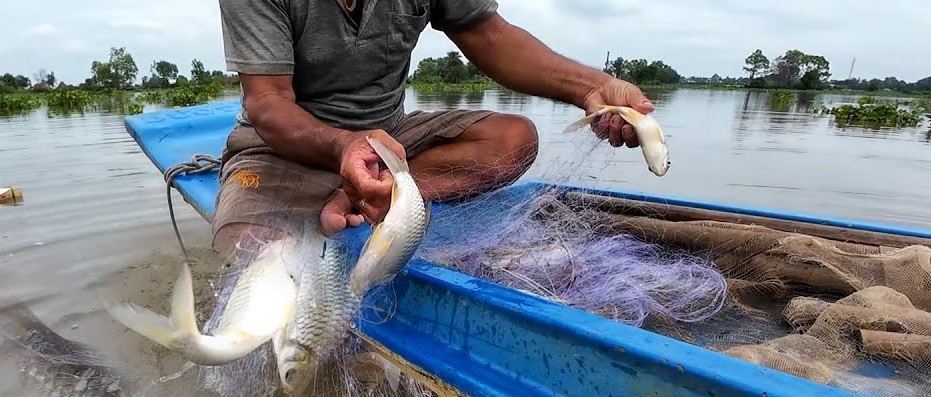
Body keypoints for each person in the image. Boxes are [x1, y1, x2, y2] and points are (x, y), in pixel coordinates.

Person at [212, 0, 654, 255]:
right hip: (281, 147)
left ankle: (366, 193)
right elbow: (268, 101)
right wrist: (343, 146)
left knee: (512, 140)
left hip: (390, 136)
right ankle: (361, 189)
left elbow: (491, 37)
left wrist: (594, 89)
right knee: (248, 255)